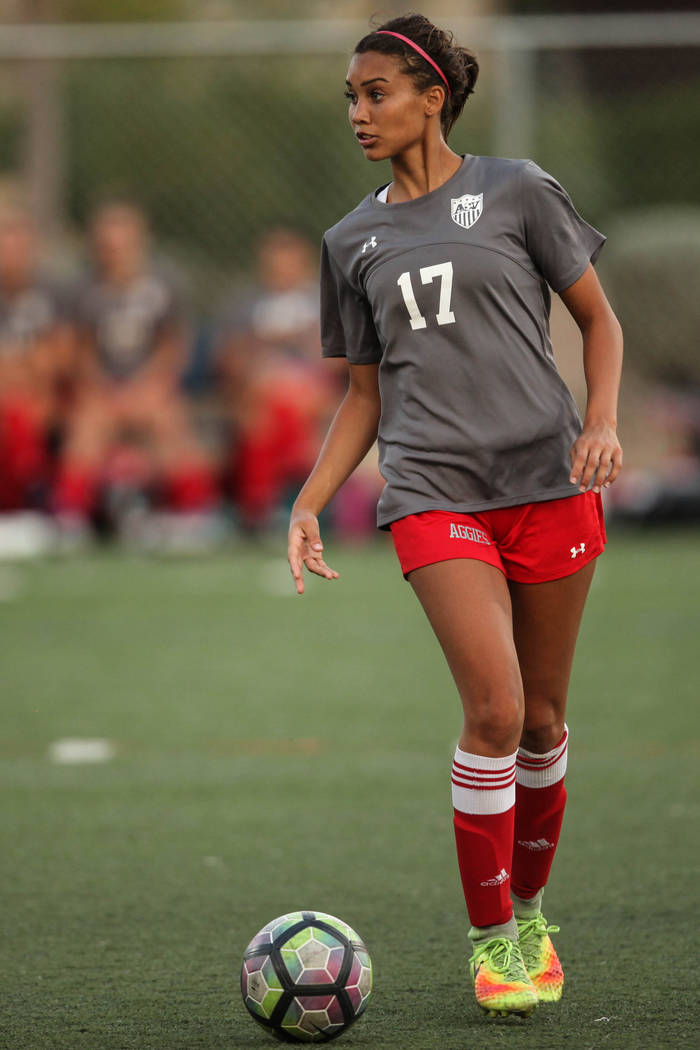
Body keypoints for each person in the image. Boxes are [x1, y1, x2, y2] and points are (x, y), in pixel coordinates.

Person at [287, 13, 623, 1021]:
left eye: (376, 93)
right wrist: (309, 499)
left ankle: (531, 911)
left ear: (432, 97)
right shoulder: (349, 240)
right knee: (494, 710)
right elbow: (364, 396)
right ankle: (492, 941)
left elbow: (598, 320)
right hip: (433, 492)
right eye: (350, 98)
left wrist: (602, 422)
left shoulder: (518, 189)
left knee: (544, 721)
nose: (358, 113)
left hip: (547, 484)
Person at [55, 200, 217, 533]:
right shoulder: (82, 288)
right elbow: (76, 350)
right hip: (102, 389)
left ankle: (194, 512)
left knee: (168, 422)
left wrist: (148, 385)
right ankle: (70, 515)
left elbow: (174, 346)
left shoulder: (164, 283)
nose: (114, 253)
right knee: (87, 426)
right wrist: (102, 387)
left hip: (150, 386)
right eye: (106, 246)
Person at [0, 204, 73, 512]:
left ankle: (29, 502)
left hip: (40, 394)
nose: (10, 254)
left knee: (26, 411)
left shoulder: (54, 295)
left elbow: (59, 360)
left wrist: (18, 365)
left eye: (18, 243)